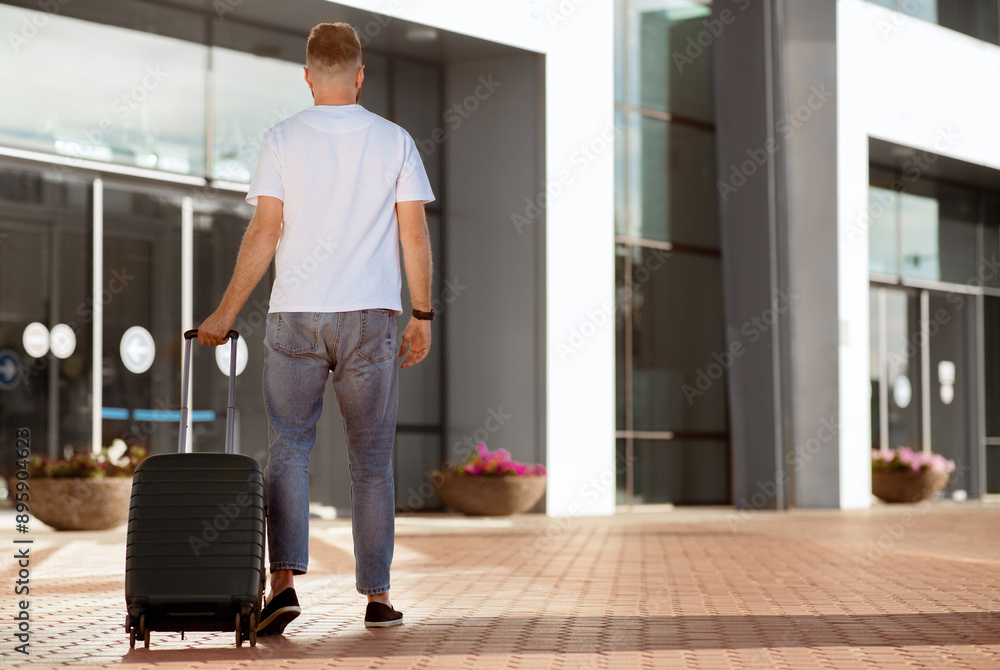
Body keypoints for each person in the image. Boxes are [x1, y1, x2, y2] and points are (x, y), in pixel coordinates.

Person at [198, 21, 435, 634]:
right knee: (372, 463)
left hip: (296, 314)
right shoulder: (395, 141)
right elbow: (414, 233)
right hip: (371, 316)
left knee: (289, 452)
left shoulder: (281, 139)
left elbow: (264, 232)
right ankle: (378, 597)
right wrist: (424, 314)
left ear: (307, 76)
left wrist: (223, 316)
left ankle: (284, 585)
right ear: (359, 75)